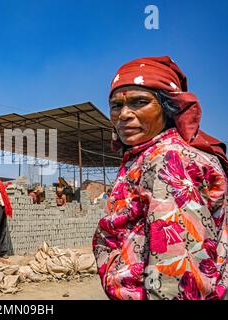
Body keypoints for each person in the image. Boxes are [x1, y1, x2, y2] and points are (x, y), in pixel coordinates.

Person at [92, 56, 228, 300]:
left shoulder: (170, 159)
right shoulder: (145, 155)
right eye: (116, 106)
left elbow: (177, 274)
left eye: (139, 102)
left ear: (167, 108)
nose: (124, 114)